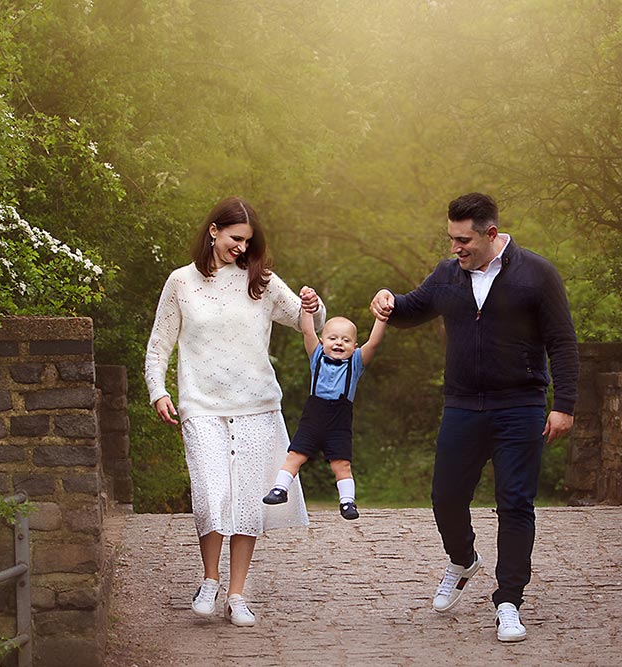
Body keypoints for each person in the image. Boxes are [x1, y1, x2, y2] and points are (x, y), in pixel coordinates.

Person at [369, 192, 579, 643]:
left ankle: (508, 602)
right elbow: (411, 309)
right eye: (450, 238)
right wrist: (388, 301)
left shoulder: (537, 274)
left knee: (516, 503)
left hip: (520, 406)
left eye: (463, 240)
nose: (454, 248)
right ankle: (463, 560)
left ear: (490, 233)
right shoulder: (448, 274)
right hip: (463, 404)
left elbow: (562, 342)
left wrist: (565, 405)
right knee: (445, 496)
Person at [144, 196, 325, 628]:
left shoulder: (260, 282)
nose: (241, 248)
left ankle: (238, 593)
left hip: (257, 406)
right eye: (235, 238)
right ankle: (209, 580)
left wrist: (312, 307)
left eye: (247, 241)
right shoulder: (181, 283)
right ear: (214, 232)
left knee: (248, 503)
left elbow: (307, 323)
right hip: (201, 405)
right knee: (210, 495)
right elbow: (158, 345)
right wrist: (157, 390)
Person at [262, 308, 386, 520]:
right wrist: (308, 310)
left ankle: (347, 502)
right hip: (313, 417)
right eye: (333, 338)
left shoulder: (355, 363)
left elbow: (373, 343)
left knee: (342, 464)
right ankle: (279, 489)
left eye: (346, 340)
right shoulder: (317, 356)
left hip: (339, 420)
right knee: (295, 456)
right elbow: (308, 332)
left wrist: (381, 318)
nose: (339, 343)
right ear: (322, 342)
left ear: (354, 347)